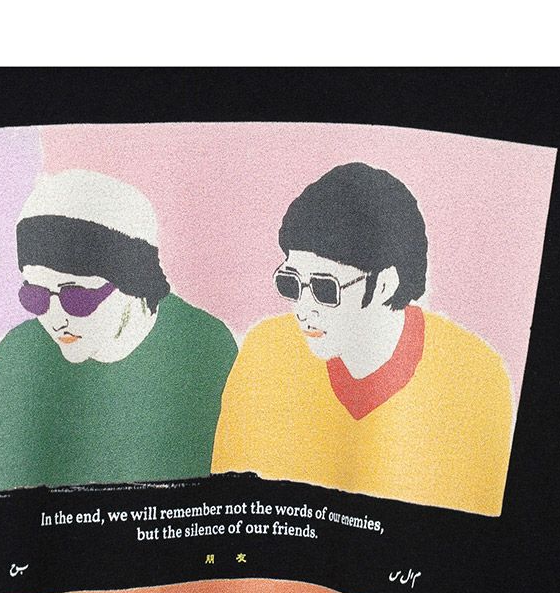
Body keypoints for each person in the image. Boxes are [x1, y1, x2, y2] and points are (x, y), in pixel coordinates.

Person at [211, 162, 514, 516]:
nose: (302, 309)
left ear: (385, 284)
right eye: (290, 283)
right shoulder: (266, 351)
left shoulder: (476, 375)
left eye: (325, 289)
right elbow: (230, 506)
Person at [0, 169, 237, 493]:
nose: (55, 319)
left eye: (76, 297)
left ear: (134, 283)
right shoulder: (20, 352)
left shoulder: (204, 345)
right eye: (35, 296)